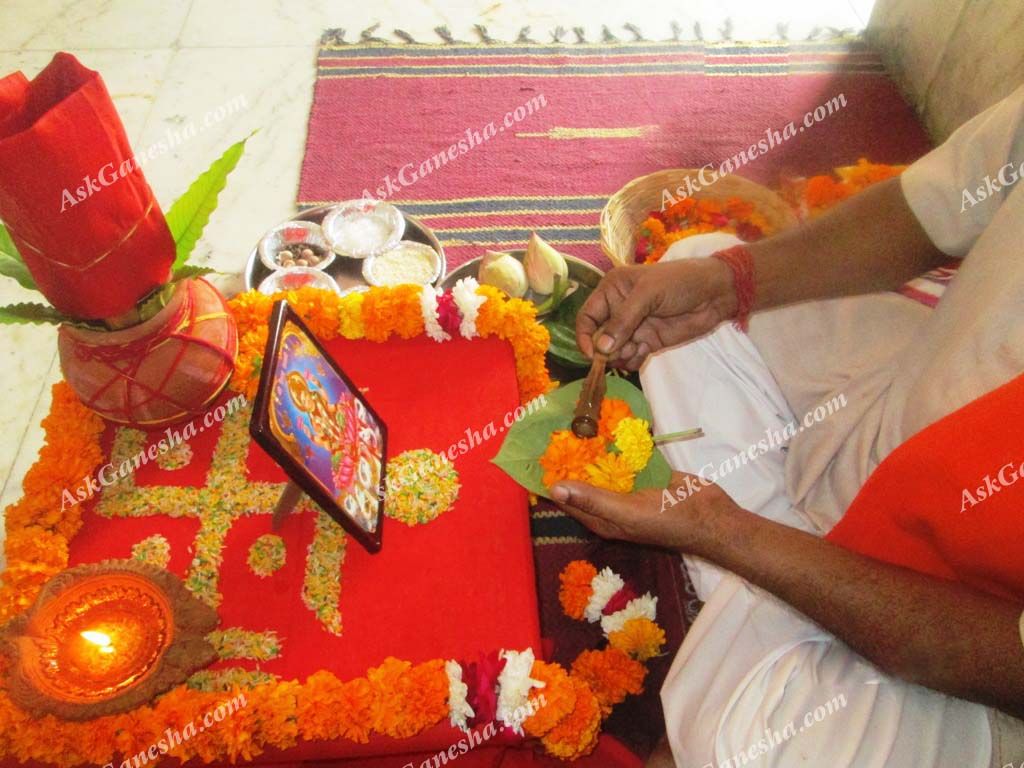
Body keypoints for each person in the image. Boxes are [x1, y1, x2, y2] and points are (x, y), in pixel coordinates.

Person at [553, 84, 1024, 767]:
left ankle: (778, 595)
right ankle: (790, 591)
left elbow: (1003, 660)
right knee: (686, 278)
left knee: (750, 749)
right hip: (892, 409)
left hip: (966, 627)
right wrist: (726, 284)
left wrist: (729, 534)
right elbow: (926, 211)